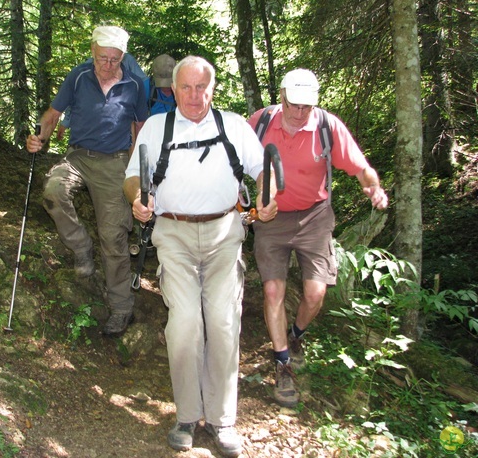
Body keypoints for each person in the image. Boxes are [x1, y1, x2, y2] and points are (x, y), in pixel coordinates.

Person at [123, 56, 277, 457]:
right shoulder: (157, 127)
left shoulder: (234, 126)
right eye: (185, 88)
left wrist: (266, 195)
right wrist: (139, 201)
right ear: (173, 90)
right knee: (185, 323)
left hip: (226, 233)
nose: (194, 96)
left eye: (201, 87)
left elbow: (263, 169)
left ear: (212, 89)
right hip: (173, 234)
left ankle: (223, 420)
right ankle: (188, 415)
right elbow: (132, 177)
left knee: (224, 322)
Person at [247, 68, 389, 408]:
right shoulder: (260, 122)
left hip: (315, 215)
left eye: (306, 106)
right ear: (281, 97)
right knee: (271, 289)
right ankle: (282, 363)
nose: (299, 113)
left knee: (315, 293)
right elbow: (235, 161)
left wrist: (373, 186)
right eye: (294, 105)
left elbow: (358, 166)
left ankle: (295, 337)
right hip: (271, 217)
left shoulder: (327, 126)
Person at [27, 25, 149, 336]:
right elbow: (53, 114)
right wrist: (39, 137)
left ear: (123, 56)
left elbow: (141, 125)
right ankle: (80, 246)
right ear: (93, 51)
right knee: (53, 190)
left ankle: (121, 308)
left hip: (116, 161)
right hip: (78, 155)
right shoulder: (78, 77)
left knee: (114, 236)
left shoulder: (135, 83)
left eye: (114, 59)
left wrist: (133, 166)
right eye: (102, 58)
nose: (108, 65)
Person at [56, 53, 149, 141]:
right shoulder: (85, 68)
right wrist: (66, 122)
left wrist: (138, 110)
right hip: (89, 129)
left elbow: (144, 85)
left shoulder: (127, 60)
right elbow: (74, 98)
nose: (108, 66)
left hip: (123, 128)